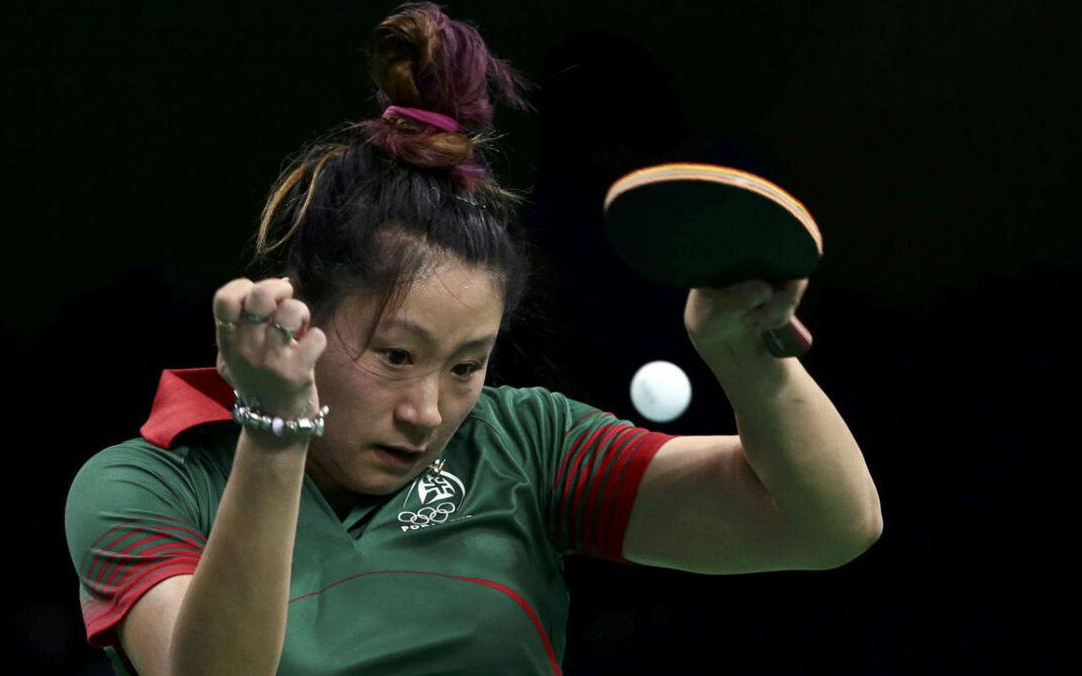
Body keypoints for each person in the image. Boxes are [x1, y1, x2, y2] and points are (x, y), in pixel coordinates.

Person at [64, 3, 882, 674]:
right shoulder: (150, 485)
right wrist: (277, 432)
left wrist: (746, 358)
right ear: (298, 315)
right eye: (396, 356)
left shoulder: (525, 444)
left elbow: (824, 526)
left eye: (466, 365)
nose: (427, 411)